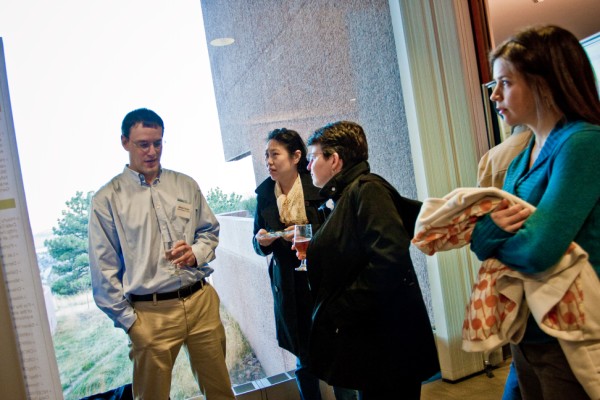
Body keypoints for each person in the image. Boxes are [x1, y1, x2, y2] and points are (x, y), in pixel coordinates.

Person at [470, 25, 600, 400]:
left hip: (571, 333)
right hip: (528, 331)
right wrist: (486, 234)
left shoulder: (583, 143)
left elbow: (538, 250)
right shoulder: (519, 160)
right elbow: (478, 238)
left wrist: (489, 236)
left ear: (545, 82)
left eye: (506, 83)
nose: (494, 95)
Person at [88, 108, 235, 400]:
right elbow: (103, 272)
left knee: (221, 393)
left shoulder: (185, 184)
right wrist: (131, 323)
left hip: (200, 303)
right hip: (149, 315)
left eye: (158, 143)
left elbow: (209, 232)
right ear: (125, 142)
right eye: (143, 144)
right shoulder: (107, 200)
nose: (152, 151)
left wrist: (195, 253)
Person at [304, 121, 440, 399]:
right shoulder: (346, 195)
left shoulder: (368, 189)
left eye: (313, 157)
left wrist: (339, 310)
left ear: (335, 160)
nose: (308, 166)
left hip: (389, 342)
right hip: (374, 340)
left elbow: (388, 261)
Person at [253, 128, 358, 400]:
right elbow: (257, 242)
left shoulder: (318, 185)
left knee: (337, 353)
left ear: (296, 156)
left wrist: (306, 234)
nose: (269, 162)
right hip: (288, 285)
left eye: (275, 154)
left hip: (321, 279)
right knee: (303, 358)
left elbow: (335, 229)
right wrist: (261, 240)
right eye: (266, 156)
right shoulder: (265, 194)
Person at [477, 125, 532, 400]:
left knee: (523, 365)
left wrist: (488, 238)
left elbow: (480, 234)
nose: (497, 102)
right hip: (540, 277)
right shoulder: (537, 151)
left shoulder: (493, 158)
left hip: (510, 278)